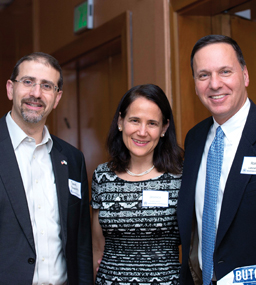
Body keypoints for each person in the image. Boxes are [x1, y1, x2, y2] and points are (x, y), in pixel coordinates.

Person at [177, 34, 256, 285]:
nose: (214, 84)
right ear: (195, 84)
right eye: (203, 75)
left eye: (225, 71)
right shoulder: (194, 139)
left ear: (245, 75)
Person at [1, 52, 93, 284]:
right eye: (28, 82)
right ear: (11, 89)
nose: (36, 93)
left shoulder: (72, 159)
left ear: (57, 97)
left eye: (47, 86)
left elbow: (81, 242)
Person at [91, 84, 183, 284]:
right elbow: (97, 246)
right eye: (134, 120)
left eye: (152, 123)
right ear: (120, 121)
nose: (142, 132)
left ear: (164, 128)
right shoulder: (102, 176)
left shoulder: (180, 177)